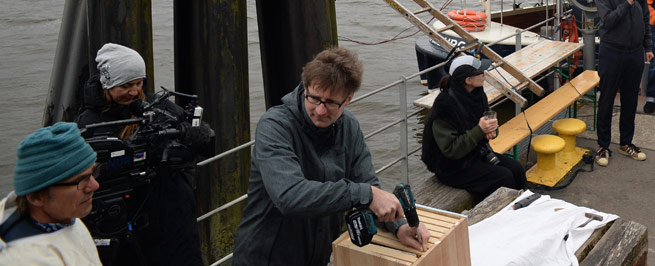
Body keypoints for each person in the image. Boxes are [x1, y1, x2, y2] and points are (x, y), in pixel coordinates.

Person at [233, 47, 429, 266]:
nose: (320, 110)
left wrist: (399, 225)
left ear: (348, 99)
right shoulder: (274, 127)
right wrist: (366, 194)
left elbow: (367, 183)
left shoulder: (350, 127)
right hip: (264, 257)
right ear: (305, 87)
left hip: (317, 255)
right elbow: (289, 196)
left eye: (331, 103)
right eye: (314, 98)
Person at [75, 43, 210, 266]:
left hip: (173, 214)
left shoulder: (157, 105)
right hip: (125, 221)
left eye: (138, 83)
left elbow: (201, 138)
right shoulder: (90, 122)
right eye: (126, 85)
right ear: (108, 84)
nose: (135, 92)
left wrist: (195, 133)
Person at [421, 55, 526, 198]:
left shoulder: (478, 95)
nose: (485, 74)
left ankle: (521, 208)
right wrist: (480, 130)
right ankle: (502, 214)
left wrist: (491, 130)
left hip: (475, 153)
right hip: (450, 167)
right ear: (468, 80)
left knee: (517, 169)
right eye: (480, 72)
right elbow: (451, 150)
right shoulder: (445, 105)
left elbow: (483, 128)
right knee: (504, 177)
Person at [0, 122, 102, 265]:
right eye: (81, 181)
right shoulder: (26, 259)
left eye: (93, 173)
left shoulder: (62, 214)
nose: (95, 185)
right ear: (37, 197)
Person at [594, 0, 654, 166]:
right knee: (607, 99)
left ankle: (626, 142)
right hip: (612, 51)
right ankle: (603, 145)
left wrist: (647, 45)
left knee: (631, 100)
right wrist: (626, 3)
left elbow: (645, 17)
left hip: (635, 52)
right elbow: (607, 21)